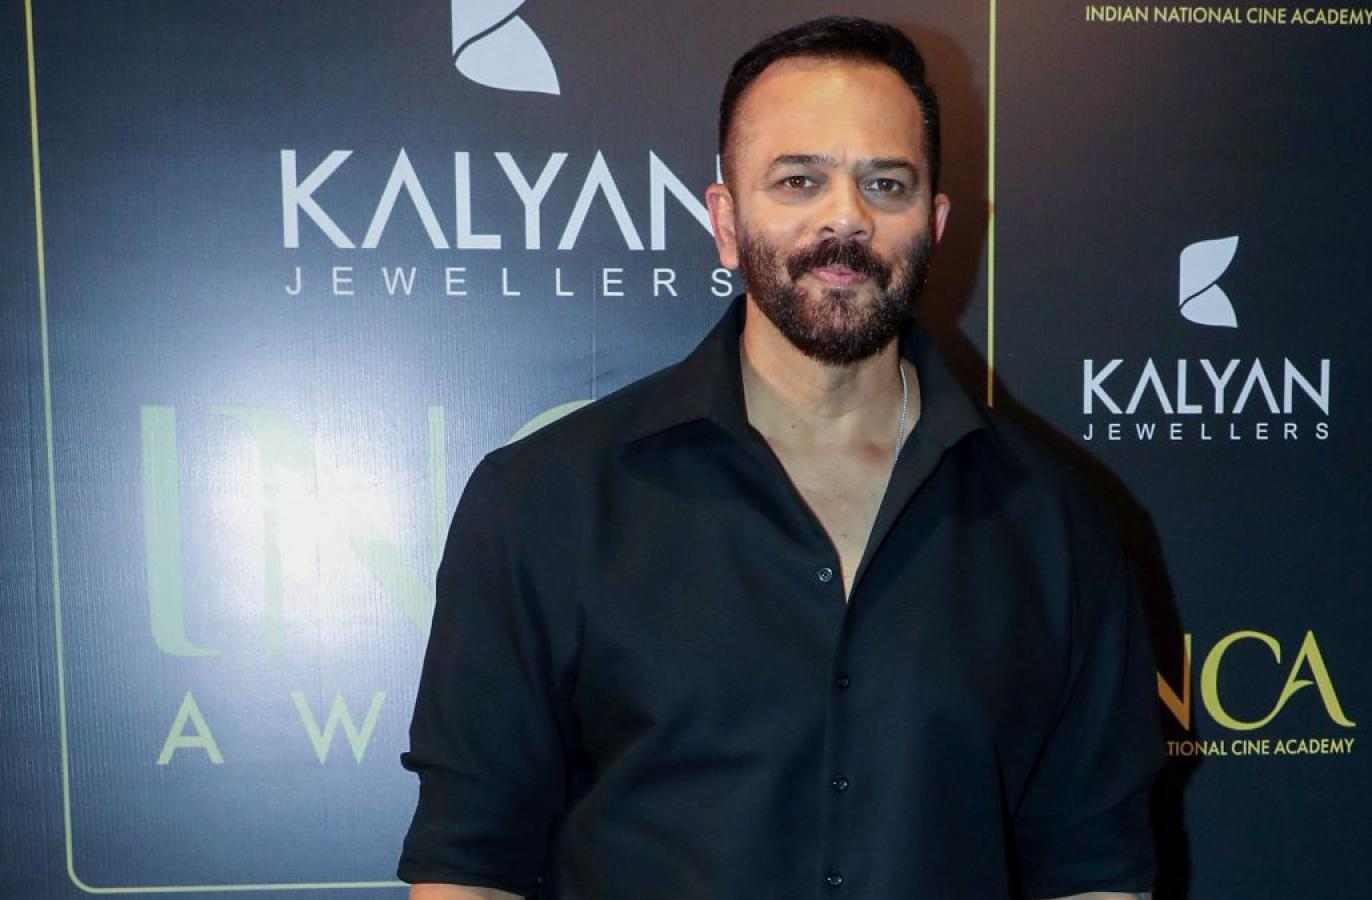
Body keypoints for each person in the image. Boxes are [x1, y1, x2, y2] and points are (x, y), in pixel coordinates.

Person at [398, 16, 1161, 900]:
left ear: (935, 221)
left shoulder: (1058, 522)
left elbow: (1094, 871)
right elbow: (468, 866)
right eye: (800, 180)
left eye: (886, 183)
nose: (847, 217)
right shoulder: (544, 500)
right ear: (726, 221)